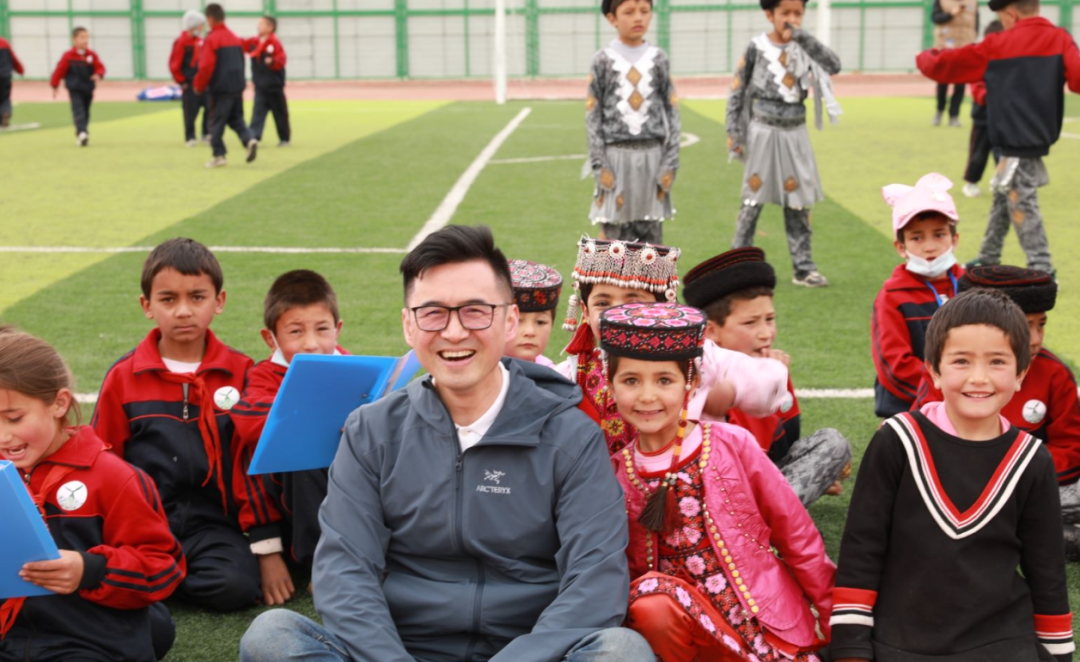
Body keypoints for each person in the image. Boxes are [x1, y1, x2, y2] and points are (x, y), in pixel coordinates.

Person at [240, 225, 654, 662]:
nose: (454, 332)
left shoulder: (570, 435)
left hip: (530, 650)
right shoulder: (371, 431)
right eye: (433, 313)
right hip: (402, 649)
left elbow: (595, 579)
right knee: (272, 635)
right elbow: (344, 570)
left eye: (476, 311)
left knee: (622, 652)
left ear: (509, 320)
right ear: (408, 324)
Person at [830, 289, 1074, 662]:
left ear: (1021, 373)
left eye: (997, 362)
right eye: (961, 361)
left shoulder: (1032, 459)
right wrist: (851, 647)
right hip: (899, 638)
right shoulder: (897, 440)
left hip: (1001, 641)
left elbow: (1047, 569)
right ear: (934, 370)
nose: (979, 378)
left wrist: (1058, 654)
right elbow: (862, 548)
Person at [599, 303, 834, 662]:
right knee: (651, 601)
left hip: (762, 623)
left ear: (691, 382)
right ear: (611, 384)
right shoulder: (616, 474)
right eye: (631, 380)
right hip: (683, 637)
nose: (647, 396)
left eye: (664, 380)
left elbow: (795, 534)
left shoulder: (732, 443)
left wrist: (836, 618)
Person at [92, 238, 260, 613]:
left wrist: (265, 541)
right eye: (168, 299)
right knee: (102, 567)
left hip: (213, 526)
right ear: (147, 306)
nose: (183, 311)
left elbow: (253, 460)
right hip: (142, 524)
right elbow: (103, 457)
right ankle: (152, 574)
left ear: (219, 301)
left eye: (197, 297)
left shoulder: (241, 371)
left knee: (236, 587)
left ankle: (155, 582)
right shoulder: (124, 376)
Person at [0, 327, 185, 662]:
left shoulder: (115, 478)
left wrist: (91, 569)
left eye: (14, 418)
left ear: (59, 404)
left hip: (89, 642)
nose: (2, 436)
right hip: (11, 637)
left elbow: (163, 568)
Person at [557, 236, 789, 455]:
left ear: (665, 307)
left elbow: (768, 385)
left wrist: (732, 390)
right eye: (603, 303)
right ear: (585, 311)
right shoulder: (575, 373)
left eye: (634, 301)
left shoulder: (698, 356)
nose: (617, 313)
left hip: (695, 480)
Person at [912, 265, 1080, 559]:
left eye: (1041, 325)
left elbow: (1070, 447)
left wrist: (1017, 468)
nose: (1035, 338)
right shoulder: (948, 372)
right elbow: (923, 443)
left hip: (1027, 486)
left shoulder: (1054, 373)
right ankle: (1033, 533)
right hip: (961, 486)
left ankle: (1010, 530)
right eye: (1025, 326)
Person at [917, 0, 1080, 276]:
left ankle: (1042, 269)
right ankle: (988, 256)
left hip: (1014, 138)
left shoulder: (998, 44)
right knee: (1003, 195)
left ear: (1010, 14)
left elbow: (948, 65)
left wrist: (925, 56)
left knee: (1022, 203)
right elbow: (1077, 80)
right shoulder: (1060, 38)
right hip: (1035, 136)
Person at [682, 247, 852, 506]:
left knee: (833, 443)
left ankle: (773, 512)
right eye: (750, 323)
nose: (765, 333)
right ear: (711, 332)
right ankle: (768, 519)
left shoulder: (772, 368)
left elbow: (782, 447)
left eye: (769, 319)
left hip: (757, 486)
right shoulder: (697, 375)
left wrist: (806, 472)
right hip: (711, 491)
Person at [230, 269, 344, 605]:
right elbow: (249, 425)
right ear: (272, 339)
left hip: (347, 494)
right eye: (295, 331)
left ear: (337, 329)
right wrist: (266, 546)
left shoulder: (351, 366)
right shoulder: (264, 378)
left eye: (322, 329)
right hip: (292, 508)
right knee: (300, 447)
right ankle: (322, 566)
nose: (311, 343)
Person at [726, 0, 841, 288]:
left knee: (799, 202)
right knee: (752, 200)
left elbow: (834, 65)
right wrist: (733, 133)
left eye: (797, 13)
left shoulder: (806, 46)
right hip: (763, 132)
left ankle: (803, 269)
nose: (791, 19)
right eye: (785, 13)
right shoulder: (756, 46)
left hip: (795, 132)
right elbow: (737, 91)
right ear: (770, 14)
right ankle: (737, 264)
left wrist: (803, 37)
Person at [586, 0, 680, 244]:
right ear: (612, 18)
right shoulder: (602, 60)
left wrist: (670, 161)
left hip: (653, 159)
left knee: (652, 243)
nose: (638, 17)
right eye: (629, 12)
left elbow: (672, 111)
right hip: (615, 159)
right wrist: (600, 163)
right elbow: (593, 115)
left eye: (644, 11)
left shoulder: (659, 58)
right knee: (613, 243)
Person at [871, 173, 963, 418]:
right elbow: (894, 365)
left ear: (954, 239)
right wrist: (946, 391)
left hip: (967, 403)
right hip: (910, 410)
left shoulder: (972, 287)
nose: (930, 246)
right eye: (917, 237)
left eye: (939, 235)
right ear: (901, 247)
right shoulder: (891, 297)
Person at [193, 3, 258, 169]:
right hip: (237, 87)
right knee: (236, 118)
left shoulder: (212, 39)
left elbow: (206, 66)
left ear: (210, 19)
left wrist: (199, 85)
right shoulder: (234, 38)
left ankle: (219, 155)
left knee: (216, 121)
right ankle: (249, 139)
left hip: (220, 89)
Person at [960, 20, 1004, 198]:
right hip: (983, 116)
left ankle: (1002, 182)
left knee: (1003, 153)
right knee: (978, 152)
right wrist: (992, 96)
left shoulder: (1010, 59)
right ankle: (971, 182)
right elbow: (977, 87)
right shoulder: (980, 59)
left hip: (1004, 116)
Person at [49, 27, 104, 147]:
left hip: (88, 88)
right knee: (78, 110)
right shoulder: (68, 56)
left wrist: (98, 74)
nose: (85, 40)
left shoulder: (91, 55)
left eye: (87, 37)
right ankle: (82, 133)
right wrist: (54, 84)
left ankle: (83, 132)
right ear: (74, 39)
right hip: (74, 89)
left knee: (86, 111)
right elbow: (59, 70)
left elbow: (100, 67)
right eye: (82, 37)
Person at [504, 258, 561, 368]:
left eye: (540, 322)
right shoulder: (480, 373)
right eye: (518, 321)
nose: (530, 332)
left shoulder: (553, 372)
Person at [244, 15, 290, 147]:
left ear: (270, 27)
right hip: (260, 86)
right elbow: (242, 44)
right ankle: (254, 137)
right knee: (257, 113)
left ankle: (284, 138)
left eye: (262, 24)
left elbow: (282, 59)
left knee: (280, 114)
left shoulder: (275, 43)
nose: (258, 26)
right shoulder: (254, 42)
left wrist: (272, 61)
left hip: (274, 87)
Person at [929, 0, 977, 128]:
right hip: (946, 46)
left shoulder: (973, 2)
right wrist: (951, 13)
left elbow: (975, 23)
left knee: (960, 84)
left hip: (965, 46)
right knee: (942, 82)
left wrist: (973, 39)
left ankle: (954, 115)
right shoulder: (941, 1)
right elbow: (935, 18)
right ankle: (939, 111)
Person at [169, 10, 209, 147]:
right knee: (190, 110)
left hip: (202, 81)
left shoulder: (201, 41)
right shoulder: (181, 42)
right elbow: (174, 64)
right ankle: (190, 137)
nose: (202, 28)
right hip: (189, 82)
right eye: (201, 25)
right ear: (193, 25)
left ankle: (206, 133)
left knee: (208, 106)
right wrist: (182, 81)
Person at [0, 35, 24, 129]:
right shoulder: (4, 42)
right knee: (5, 97)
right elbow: (13, 58)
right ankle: (6, 112)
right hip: (5, 75)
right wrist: (20, 69)